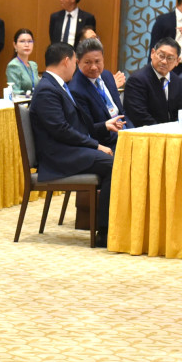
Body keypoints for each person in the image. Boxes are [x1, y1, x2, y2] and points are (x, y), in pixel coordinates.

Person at [30, 42, 122, 247]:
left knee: (115, 159)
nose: (75, 66)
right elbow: (61, 130)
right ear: (66, 60)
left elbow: (76, 126)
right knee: (112, 162)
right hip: (58, 157)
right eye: (75, 61)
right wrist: (95, 146)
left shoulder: (56, 85)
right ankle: (104, 231)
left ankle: (113, 225)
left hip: (69, 150)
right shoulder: (47, 90)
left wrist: (102, 127)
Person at [68, 37, 132, 151]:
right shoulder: (76, 89)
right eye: (88, 62)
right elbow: (86, 128)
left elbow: (122, 112)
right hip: (106, 142)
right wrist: (107, 127)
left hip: (126, 134)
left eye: (97, 61)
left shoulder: (107, 76)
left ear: (103, 59)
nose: (94, 67)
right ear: (78, 62)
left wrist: (134, 132)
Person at [124, 37, 182, 126]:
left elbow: (179, 111)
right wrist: (163, 133)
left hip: (171, 133)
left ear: (177, 61)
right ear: (152, 53)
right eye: (161, 56)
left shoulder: (176, 80)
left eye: (170, 58)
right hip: (147, 133)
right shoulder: (137, 80)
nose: (164, 61)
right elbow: (139, 116)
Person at [5, 29, 39, 96]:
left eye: (30, 41)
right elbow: (15, 92)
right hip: (22, 104)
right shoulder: (13, 65)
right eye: (22, 41)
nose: (27, 45)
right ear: (15, 45)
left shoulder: (33, 65)